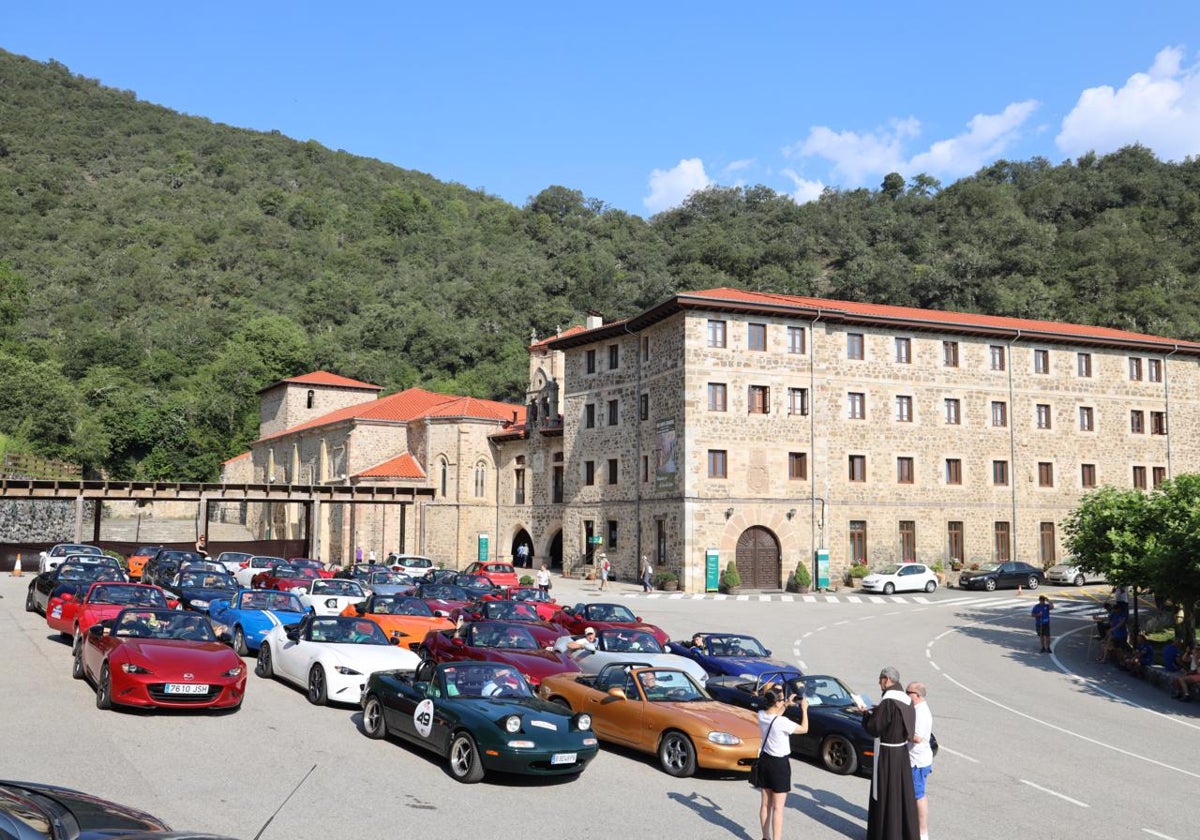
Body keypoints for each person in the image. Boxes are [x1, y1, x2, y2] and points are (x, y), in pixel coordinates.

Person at [861, 666, 919, 840]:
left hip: (887, 753)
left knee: (887, 794)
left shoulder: (888, 701)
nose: (879, 683)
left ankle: (886, 834)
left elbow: (875, 727)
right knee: (901, 794)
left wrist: (866, 715)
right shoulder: (906, 699)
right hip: (901, 752)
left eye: (880, 680)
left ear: (886, 679)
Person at [754, 687, 808, 840]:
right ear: (776, 703)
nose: (784, 700)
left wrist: (786, 704)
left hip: (765, 761)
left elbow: (774, 716)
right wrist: (804, 709)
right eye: (782, 699)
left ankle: (765, 837)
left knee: (765, 804)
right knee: (778, 808)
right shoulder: (782, 722)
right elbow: (804, 729)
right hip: (779, 765)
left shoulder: (761, 715)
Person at [906, 682, 934, 840]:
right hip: (918, 759)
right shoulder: (917, 709)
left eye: (908, 692)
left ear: (917, 695)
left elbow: (917, 737)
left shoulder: (921, 713)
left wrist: (899, 731)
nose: (906, 694)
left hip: (917, 761)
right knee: (915, 794)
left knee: (918, 795)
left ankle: (922, 832)